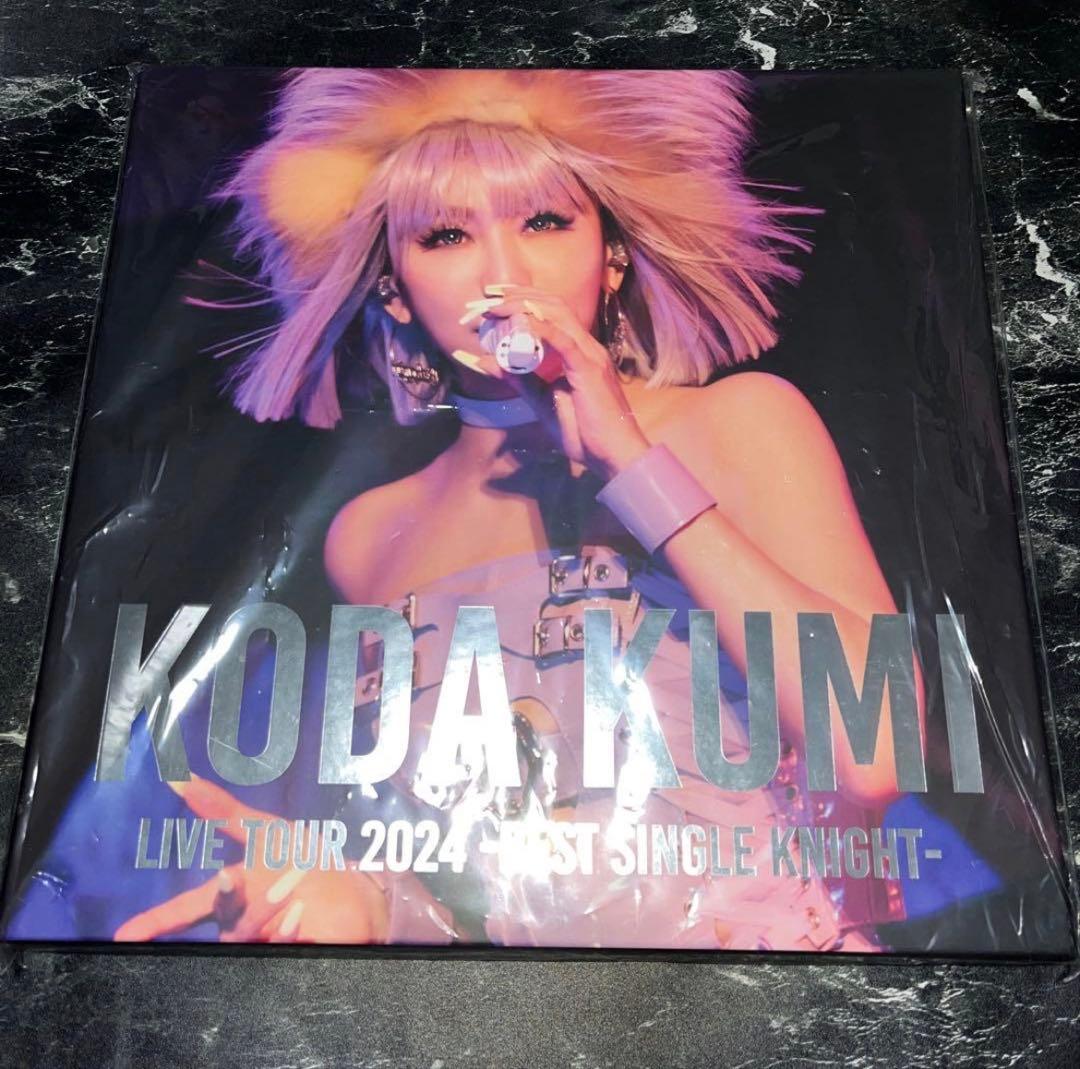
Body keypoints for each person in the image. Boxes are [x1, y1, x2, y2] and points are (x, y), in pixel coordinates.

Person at [16, 70, 923, 949]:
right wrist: (361, 901)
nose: (501, 270)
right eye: (446, 235)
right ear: (394, 288)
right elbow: (469, 873)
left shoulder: (738, 421)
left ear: (611, 255)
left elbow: (877, 753)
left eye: (544, 221)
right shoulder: (369, 534)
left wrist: (633, 465)